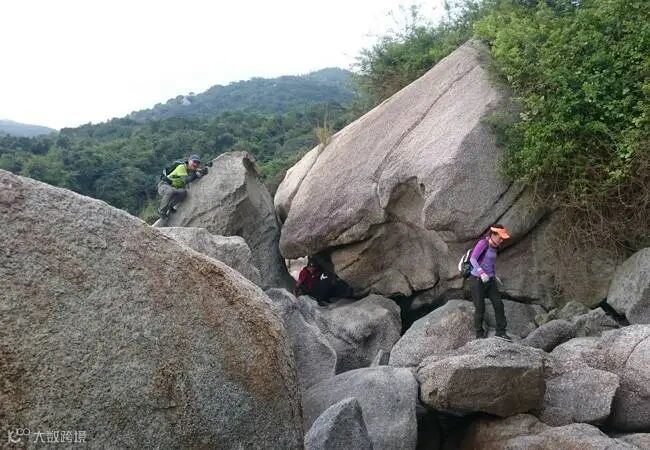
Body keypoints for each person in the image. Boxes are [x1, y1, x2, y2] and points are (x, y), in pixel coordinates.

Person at [469, 224, 512, 340]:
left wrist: (494, 275)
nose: (501, 240)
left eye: (503, 238)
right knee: (480, 308)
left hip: (490, 280)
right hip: (477, 279)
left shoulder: (495, 247)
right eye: (500, 237)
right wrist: (481, 272)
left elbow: (490, 263)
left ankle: (500, 332)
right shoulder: (483, 243)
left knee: (498, 304)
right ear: (493, 234)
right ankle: (479, 334)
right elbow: (473, 259)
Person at [157, 154, 206, 219]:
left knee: (183, 192)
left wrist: (202, 172)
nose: (196, 164)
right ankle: (161, 211)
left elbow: (198, 172)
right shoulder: (182, 167)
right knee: (170, 191)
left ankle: (170, 206)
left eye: (198, 163)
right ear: (189, 161)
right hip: (164, 185)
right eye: (194, 161)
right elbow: (185, 180)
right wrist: (196, 175)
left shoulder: (192, 170)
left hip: (174, 188)